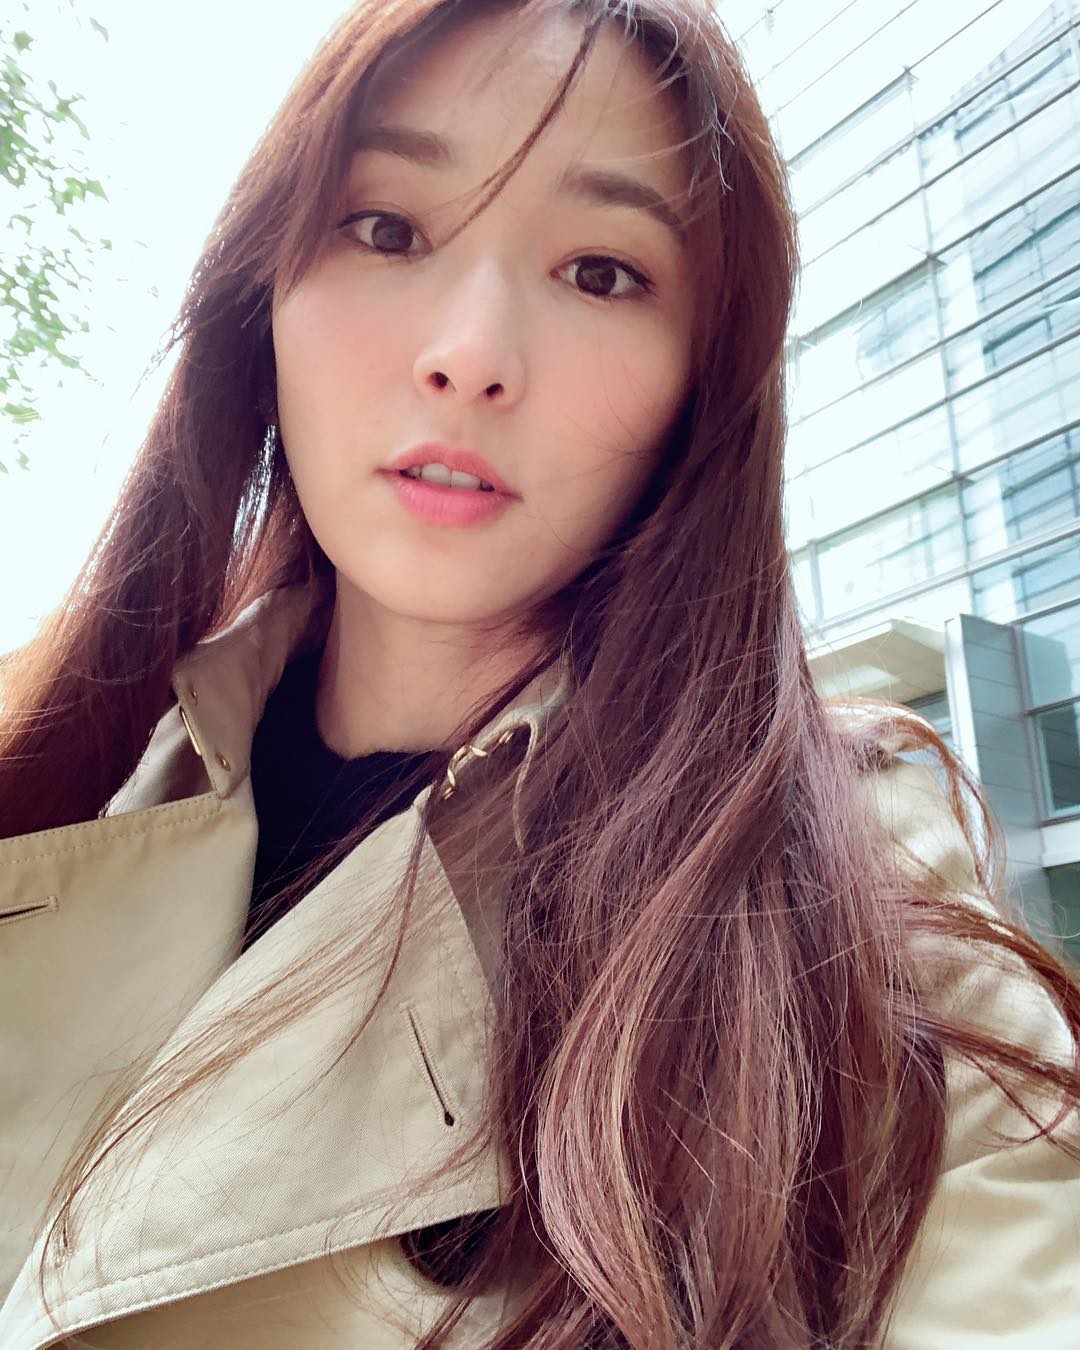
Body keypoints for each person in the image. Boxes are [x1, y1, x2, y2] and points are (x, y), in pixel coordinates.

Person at [1, 0, 1078, 1345]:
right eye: (386, 228)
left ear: (702, 386)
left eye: (601, 272)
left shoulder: (842, 870)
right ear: (261, 292)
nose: (469, 355)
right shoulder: (73, 775)